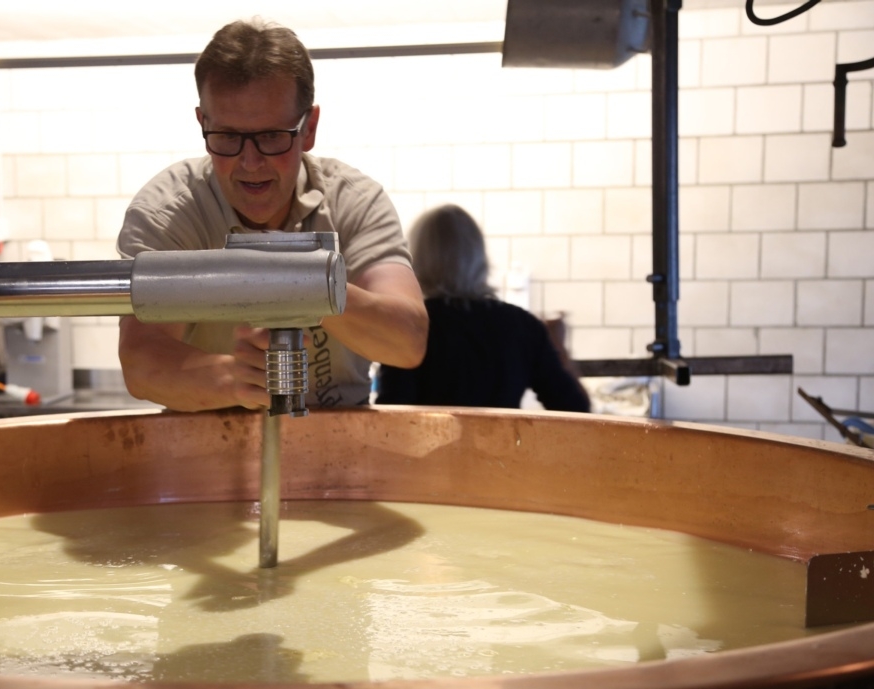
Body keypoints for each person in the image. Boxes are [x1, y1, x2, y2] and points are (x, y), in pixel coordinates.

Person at [116, 19, 427, 412]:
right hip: (208, 443)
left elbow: (407, 340)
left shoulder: (354, 202)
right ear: (203, 124)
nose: (250, 162)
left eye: (271, 136)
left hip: (341, 440)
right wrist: (232, 380)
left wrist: (302, 285)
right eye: (228, 136)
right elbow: (141, 363)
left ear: (309, 128)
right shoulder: (169, 213)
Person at [376, 205, 590, 412]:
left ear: (417, 259)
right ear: (479, 258)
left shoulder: (409, 327)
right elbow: (576, 409)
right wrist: (558, 346)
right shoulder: (522, 326)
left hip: (427, 439)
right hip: (503, 439)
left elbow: (390, 415)